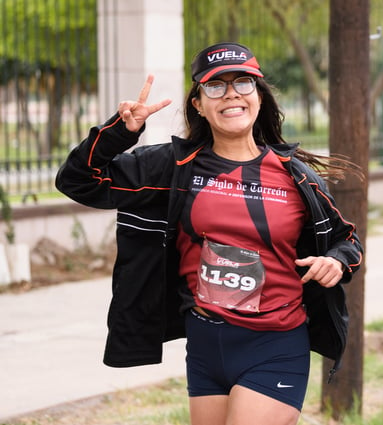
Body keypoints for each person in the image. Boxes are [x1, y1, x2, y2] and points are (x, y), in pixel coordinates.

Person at [55, 42, 363, 425]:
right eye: (215, 86)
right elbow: (78, 182)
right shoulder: (174, 168)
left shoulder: (297, 176)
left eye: (243, 83)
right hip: (205, 343)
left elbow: (347, 241)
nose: (231, 93)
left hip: (276, 343)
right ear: (199, 104)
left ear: (260, 97)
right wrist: (120, 133)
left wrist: (335, 261)